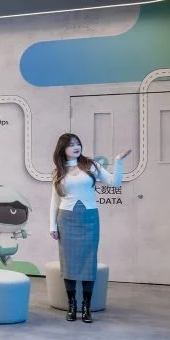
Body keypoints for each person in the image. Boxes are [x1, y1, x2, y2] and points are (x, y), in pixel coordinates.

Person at [49, 133, 130, 323]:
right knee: (68, 263)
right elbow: (54, 200)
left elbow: (115, 182)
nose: (76, 147)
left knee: (88, 262)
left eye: (78, 143)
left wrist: (118, 161)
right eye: (71, 145)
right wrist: (51, 225)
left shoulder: (91, 165)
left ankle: (86, 308)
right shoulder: (58, 171)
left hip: (90, 218)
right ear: (63, 149)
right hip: (66, 219)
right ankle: (72, 306)